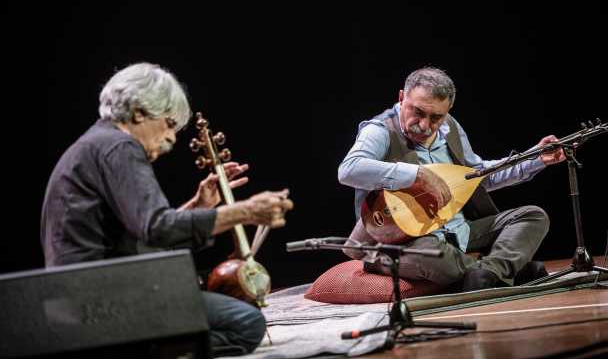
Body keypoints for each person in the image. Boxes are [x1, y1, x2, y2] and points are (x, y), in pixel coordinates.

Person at [41, 62, 294, 356]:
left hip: (79, 300)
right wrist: (246, 211)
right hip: (103, 303)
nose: (173, 137)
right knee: (246, 322)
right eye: (169, 124)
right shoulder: (119, 147)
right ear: (138, 112)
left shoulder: (96, 144)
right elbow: (158, 228)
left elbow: (142, 234)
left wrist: (196, 208)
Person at [338, 67, 565, 291]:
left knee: (532, 216)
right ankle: (499, 272)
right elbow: (348, 170)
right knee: (431, 255)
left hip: (460, 233)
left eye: (436, 117)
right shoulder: (380, 130)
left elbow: (478, 177)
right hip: (402, 242)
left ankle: (487, 273)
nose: (426, 125)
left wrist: (533, 158)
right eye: (418, 112)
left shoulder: (450, 127)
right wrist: (417, 174)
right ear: (401, 97)